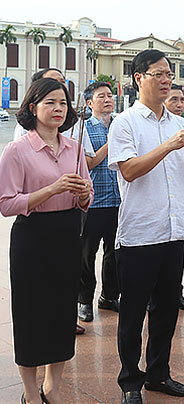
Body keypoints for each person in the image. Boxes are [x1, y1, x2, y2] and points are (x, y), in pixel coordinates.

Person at [108, 49, 184, 404]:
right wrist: (168, 146)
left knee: (166, 310)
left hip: (174, 232)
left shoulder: (181, 124)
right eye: (159, 74)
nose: (166, 81)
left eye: (169, 75)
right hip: (139, 234)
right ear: (139, 79)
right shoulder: (126, 123)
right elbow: (129, 171)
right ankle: (130, 381)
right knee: (132, 313)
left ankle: (159, 373)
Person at [0, 78, 92, 404]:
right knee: (30, 314)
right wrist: (51, 190)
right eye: (50, 102)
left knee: (61, 313)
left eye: (63, 103)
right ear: (32, 108)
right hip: (32, 238)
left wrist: (83, 195)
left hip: (67, 236)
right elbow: (7, 203)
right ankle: (29, 390)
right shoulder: (17, 151)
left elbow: (87, 197)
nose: (58, 109)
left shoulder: (76, 149)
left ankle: (52, 386)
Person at [77, 82, 121, 324]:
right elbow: (88, 163)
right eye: (101, 96)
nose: (107, 99)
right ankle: (84, 301)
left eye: (110, 95)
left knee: (114, 253)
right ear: (89, 103)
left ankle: (109, 296)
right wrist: (111, 142)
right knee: (87, 255)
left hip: (119, 201)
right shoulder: (83, 128)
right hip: (92, 203)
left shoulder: (121, 124)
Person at [159, 84, 184, 311]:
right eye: (174, 99)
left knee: (175, 261)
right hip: (151, 212)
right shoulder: (148, 128)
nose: (179, 105)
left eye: (182, 100)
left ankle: (177, 293)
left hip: (178, 208)